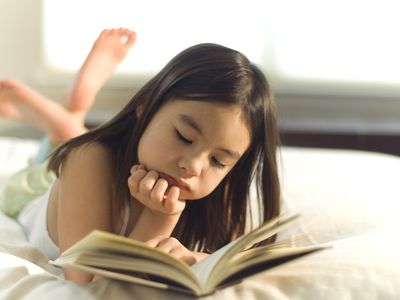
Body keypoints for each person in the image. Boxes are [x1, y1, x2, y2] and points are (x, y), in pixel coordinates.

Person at [0, 29, 281, 284]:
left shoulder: (215, 194)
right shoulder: (88, 160)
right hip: (32, 192)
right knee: (67, 147)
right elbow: (87, 283)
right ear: (145, 106)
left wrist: (197, 259)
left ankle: (70, 117)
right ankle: (68, 119)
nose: (193, 166)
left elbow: (238, 257)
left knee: (72, 138)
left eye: (218, 161)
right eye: (184, 136)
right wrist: (158, 220)